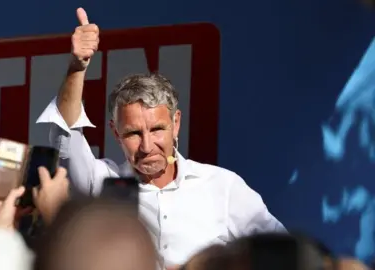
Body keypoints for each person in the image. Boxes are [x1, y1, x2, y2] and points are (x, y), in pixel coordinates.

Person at [37, 7, 286, 269]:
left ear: (176, 123)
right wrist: (77, 68)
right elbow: (66, 130)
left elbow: (283, 255)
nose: (146, 146)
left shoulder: (222, 186)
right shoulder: (101, 184)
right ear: (115, 132)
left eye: (157, 130)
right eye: (133, 133)